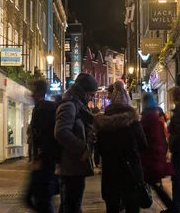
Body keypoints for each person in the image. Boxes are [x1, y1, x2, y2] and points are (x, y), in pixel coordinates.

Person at [95, 81, 148, 213]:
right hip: (132, 171)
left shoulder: (103, 123)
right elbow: (143, 145)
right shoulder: (134, 122)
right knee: (132, 207)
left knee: (112, 207)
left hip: (110, 172)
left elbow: (99, 149)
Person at [55, 73, 98, 213]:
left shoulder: (78, 105)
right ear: (83, 91)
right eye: (91, 94)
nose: (92, 98)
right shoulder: (69, 105)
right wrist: (83, 148)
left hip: (75, 166)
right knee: (71, 206)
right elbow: (61, 132)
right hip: (70, 167)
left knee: (71, 206)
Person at [26, 79, 59, 213]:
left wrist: (39, 157)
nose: (31, 95)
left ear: (39, 92)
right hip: (46, 159)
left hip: (44, 160)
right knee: (40, 198)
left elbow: (43, 134)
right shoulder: (46, 107)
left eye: (33, 91)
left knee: (39, 199)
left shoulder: (42, 109)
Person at [141, 94, 176, 210]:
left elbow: (146, 138)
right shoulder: (154, 115)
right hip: (156, 153)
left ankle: (173, 207)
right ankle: (172, 207)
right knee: (155, 185)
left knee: (153, 184)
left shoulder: (148, 116)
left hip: (151, 155)